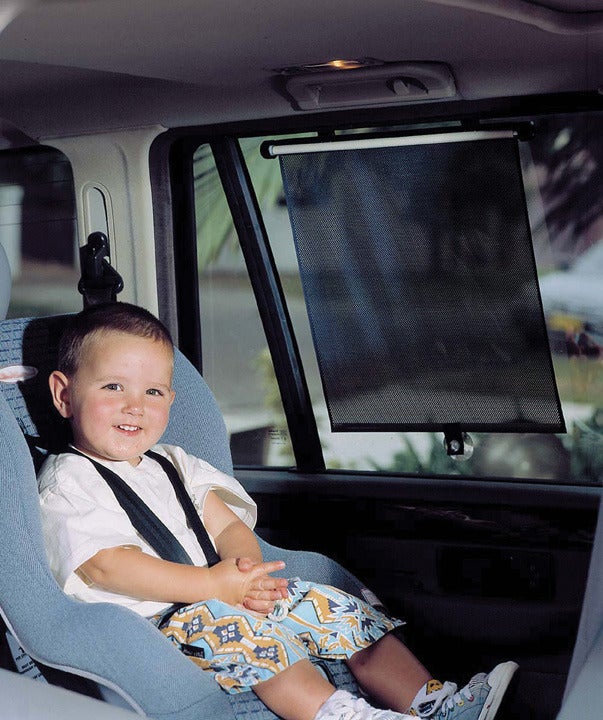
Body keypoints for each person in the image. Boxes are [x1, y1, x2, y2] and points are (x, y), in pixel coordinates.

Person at [37, 302, 518, 720]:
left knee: (342, 611)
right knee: (256, 642)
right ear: (64, 394)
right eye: (113, 388)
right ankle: (340, 713)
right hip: (159, 621)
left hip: (222, 588)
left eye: (153, 393)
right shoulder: (68, 481)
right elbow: (105, 563)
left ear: (170, 400)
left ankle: (432, 702)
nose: (135, 407)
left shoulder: (172, 462)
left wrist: (248, 574)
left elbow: (223, 521)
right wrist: (211, 586)